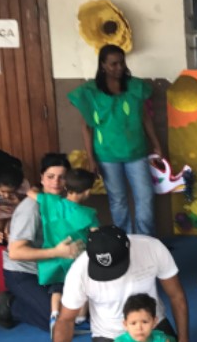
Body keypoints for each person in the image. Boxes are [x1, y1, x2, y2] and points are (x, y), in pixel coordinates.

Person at [48, 225, 197, 342]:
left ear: (129, 250)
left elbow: (177, 296)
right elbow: (66, 320)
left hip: (151, 326)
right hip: (109, 334)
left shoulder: (151, 248)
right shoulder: (79, 271)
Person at [68, 44, 161, 236]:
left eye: (122, 62)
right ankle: (123, 238)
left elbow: (145, 118)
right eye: (113, 64)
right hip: (107, 155)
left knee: (145, 197)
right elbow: (87, 127)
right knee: (118, 200)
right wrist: (91, 159)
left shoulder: (135, 87)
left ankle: (146, 238)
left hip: (137, 152)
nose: (119, 67)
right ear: (102, 65)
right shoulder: (90, 92)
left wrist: (156, 145)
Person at [0, 154, 79, 332]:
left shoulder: (63, 204)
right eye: (50, 176)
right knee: (58, 322)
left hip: (52, 270)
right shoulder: (31, 208)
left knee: (79, 313)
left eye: (62, 177)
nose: (56, 182)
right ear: (42, 178)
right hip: (23, 272)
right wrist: (58, 252)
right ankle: (11, 304)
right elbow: (16, 253)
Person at [30, 168, 99, 335]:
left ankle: (54, 316)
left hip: (53, 258)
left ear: (66, 187)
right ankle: (80, 319)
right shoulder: (89, 214)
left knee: (57, 289)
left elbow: (30, 193)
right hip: (77, 260)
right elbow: (96, 236)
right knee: (82, 290)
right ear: (88, 192)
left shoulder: (50, 202)